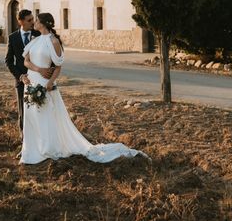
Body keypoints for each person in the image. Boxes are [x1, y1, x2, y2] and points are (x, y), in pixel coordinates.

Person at [20, 12, 148, 165]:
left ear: (44, 23)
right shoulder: (35, 40)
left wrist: (50, 82)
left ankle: (48, 149)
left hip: (44, 85)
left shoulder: (53, 42)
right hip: (31, 82)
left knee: (45, 117)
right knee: (32, 117)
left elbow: (58, 67)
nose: (34, 22)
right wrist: (38, 69)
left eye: (37, 20)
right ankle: (31, 150)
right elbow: (26, 61)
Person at [4, 10, 51, 154]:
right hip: (21, 81)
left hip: (38, 80)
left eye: (33, 19)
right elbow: (8, 62)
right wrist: (21, 77)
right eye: (29, 20)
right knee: (23, 113)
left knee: (41, 111)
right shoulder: (12, 38)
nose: (32, 22)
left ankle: (42, 143)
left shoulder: (39, 35)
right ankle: (25, 146)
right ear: (21, 21)